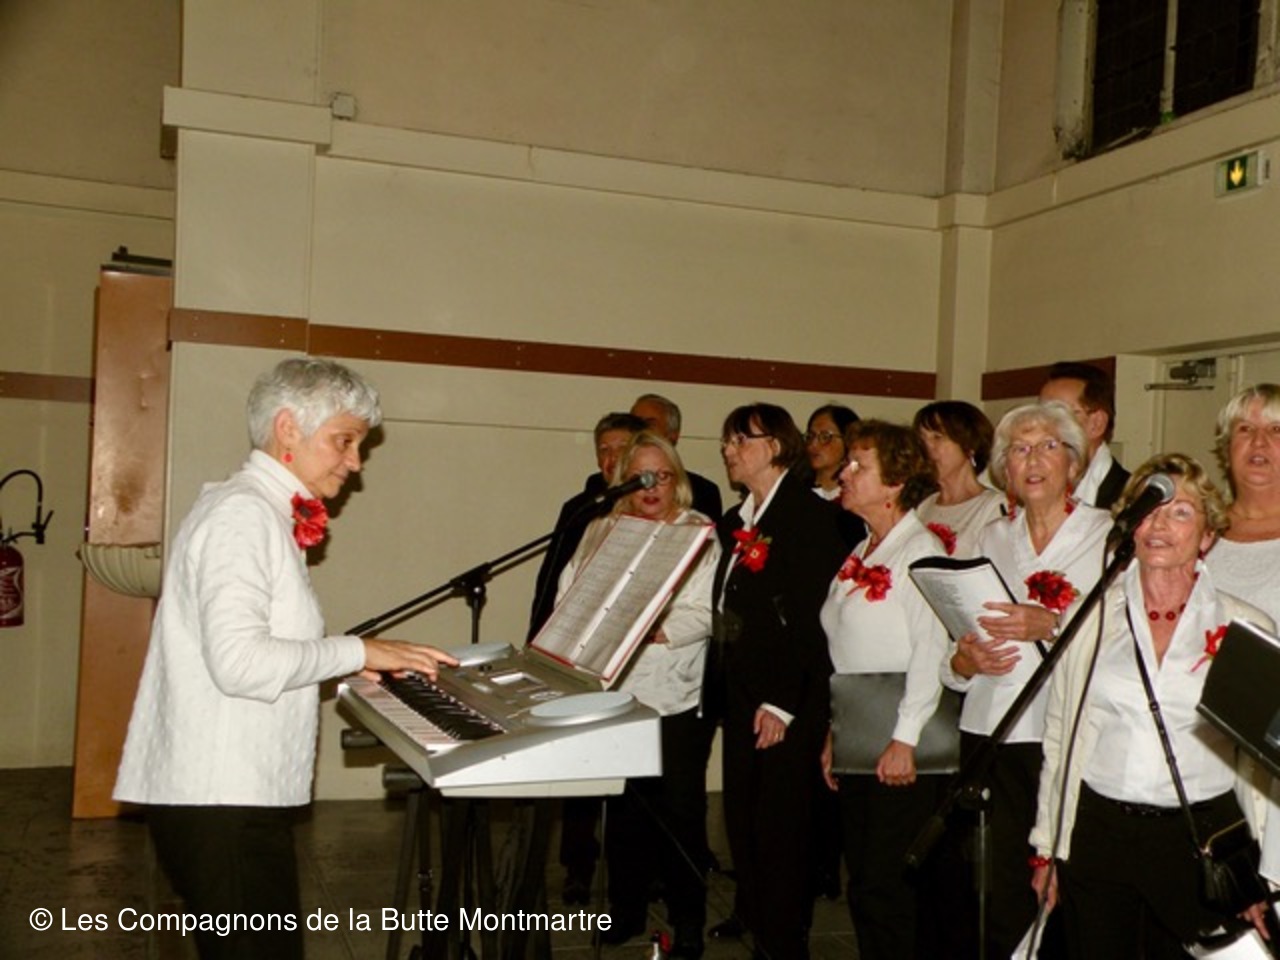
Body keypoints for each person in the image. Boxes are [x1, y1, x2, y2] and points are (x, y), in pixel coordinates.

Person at [113, 358, 458, 960]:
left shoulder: (258, 510)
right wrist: (358, 649)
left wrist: (348, 662)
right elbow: (240, 663)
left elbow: (258, 644)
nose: (355, 461)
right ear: (288, 428)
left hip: (231, 794)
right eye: (344, 441)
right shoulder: (242, 516)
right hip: (220, 799)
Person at [1030, 454, 1273, 957]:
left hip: (1202, 835)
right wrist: (1048, 847)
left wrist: (1265, 871)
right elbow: (1061, 736)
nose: (1160, 525)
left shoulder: (1244, 627)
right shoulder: (1091, 618)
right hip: (1099, 829)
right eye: (1150, 510)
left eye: (1181, 512)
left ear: (1207, 536)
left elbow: (1266, 768)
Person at [942, 401, 1110, 959]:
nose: (1033, 460)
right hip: (989, 728)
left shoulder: (1106, 535)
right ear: (1005, 469)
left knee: (1063, 883)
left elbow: (1123, 635)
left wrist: (1053, 624)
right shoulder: (990, 536)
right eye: (1019, 450)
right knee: (994, 886)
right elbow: (957, 644)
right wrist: (964, 661)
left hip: (1065, 735)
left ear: (1074, 463)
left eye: (1047, 447)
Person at [557, 431, 718, 959]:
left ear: (678, 481)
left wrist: (653, 628)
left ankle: (688, 920)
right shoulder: (602, 528)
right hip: (614, 692)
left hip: (672, 695)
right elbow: (569, 594)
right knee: (624, 811)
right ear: (623, 480)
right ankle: (624, 912)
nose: (652, 487)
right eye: (640, 477)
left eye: (662, 476)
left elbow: (706, 613)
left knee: (680, 816)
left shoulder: (697, 532)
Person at [703, 403, 848, 960]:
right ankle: (761, 929)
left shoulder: (807, 517)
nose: (729, 450)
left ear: (777, 447)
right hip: (743, 693)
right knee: (744, 825)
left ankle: (784, 946)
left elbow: (815, 620)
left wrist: (784, 703)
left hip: (789, 697)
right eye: (727, 441)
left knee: (781, 835)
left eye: (741, 440)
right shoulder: (739, 518)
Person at [817, 420, 951, 960]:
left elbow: (931, 650)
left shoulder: (918, 550)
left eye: (859, 466)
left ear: (895, 482)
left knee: (887, 883)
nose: (844, 474)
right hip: (861, 727)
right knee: (865, 880)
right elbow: (849, 651)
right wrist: (837, 732)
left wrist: (905, 738)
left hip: (900, 735)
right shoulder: (865, 548)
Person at [525, 410, 649, 903]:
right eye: (603, 450)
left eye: (621, 449)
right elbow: (550, 579)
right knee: (578, 767)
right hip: (577, 658)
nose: (610, 458)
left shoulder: (653, 507)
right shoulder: (581, 508)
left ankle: (634, 875)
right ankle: (577, 865)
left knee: (630, 776)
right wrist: (538, 643)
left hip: (635, 662)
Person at [1203, 383, 1280, 889]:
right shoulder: (1197, 529)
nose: (1259, 442)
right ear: (1226, 446)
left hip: (1268, 754)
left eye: (1277, 430)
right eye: (1245, 429)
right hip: (1195, 744)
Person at [913, 399, 1004, 558]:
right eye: (922, 440)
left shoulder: (993, 507)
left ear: (969, 446)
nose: (927, 447)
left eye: (937, 437)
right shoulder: (925, 506)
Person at [1040, 360, 1131, 509]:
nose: (1042, 426)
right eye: (1040, 415)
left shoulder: (1132, 499)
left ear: (1096, 424)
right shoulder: (1035, 489)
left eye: (1058, 415)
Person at [630, 392, 724, 522]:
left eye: (649, 424)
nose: (640, 431)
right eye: (634, 424)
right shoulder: (608, 490)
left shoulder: (703, 492)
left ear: (672, 435)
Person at [804, 403, 860, 500]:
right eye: (811, 436)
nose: (813, 444)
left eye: (825, 437)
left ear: (848, 440)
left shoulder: (859, 493)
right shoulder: (797, 489)